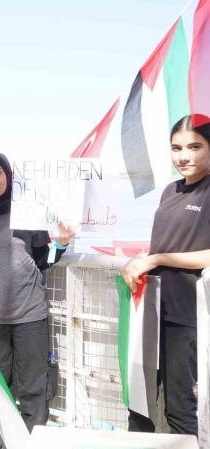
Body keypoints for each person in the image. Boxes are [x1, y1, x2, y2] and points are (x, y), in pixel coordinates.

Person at [0, 151, 75, 449]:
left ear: (8, 175)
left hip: (31, 316)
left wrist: (62, 244)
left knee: (33, 391)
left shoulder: (28, 210)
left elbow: (42, 259)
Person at [121, 114, 210, 436]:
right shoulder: (171, 190)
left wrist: (156, 258)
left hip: (188, 316)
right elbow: (169, 240)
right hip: (153, 309)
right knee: (139, 404)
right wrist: (142, 259)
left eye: (194, 146)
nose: (184, 156)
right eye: (176, 148)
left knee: (181, 410)